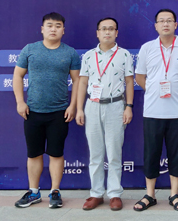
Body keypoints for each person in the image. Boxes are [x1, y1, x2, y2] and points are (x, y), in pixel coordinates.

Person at [12, 12, 81, 209]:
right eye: (49, 25)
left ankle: (55, 191)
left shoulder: (70, 53)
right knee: (34, 154)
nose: (53, 29)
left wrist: (73, 106)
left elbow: (77, 81)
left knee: (56, 154)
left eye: (58, 26)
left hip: (59, 113)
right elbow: (17, 76)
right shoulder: (30, 49)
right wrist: (20, 102)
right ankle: (34, 192)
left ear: (63, 30)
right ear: (42, 29)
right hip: (32, 111)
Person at [133, 9, 178, 212]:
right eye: (161, 21)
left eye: (169, 20)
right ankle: (150, 194)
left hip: (177, 111)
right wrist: (154, 91)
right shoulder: (147, 48)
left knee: (176, 154)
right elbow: (139, 76)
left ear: (176, 25)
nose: (165, 24)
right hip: (152, 111)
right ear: (156, 26)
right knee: (151, 153)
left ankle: (174, 194)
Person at [75, 17, 134, 211]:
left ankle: (115, 193)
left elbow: (129, 82)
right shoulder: (88, 56)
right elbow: (83, 83)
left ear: (117, 33)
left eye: (111, 29)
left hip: (115, 105)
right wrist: (79, 109)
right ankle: (96, 193)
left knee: (114, 152)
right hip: (92, 106)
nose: (107, 32)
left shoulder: (124, 54)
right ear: (97, 33)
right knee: (95, 153)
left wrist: (129, 106)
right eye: (103, 29)